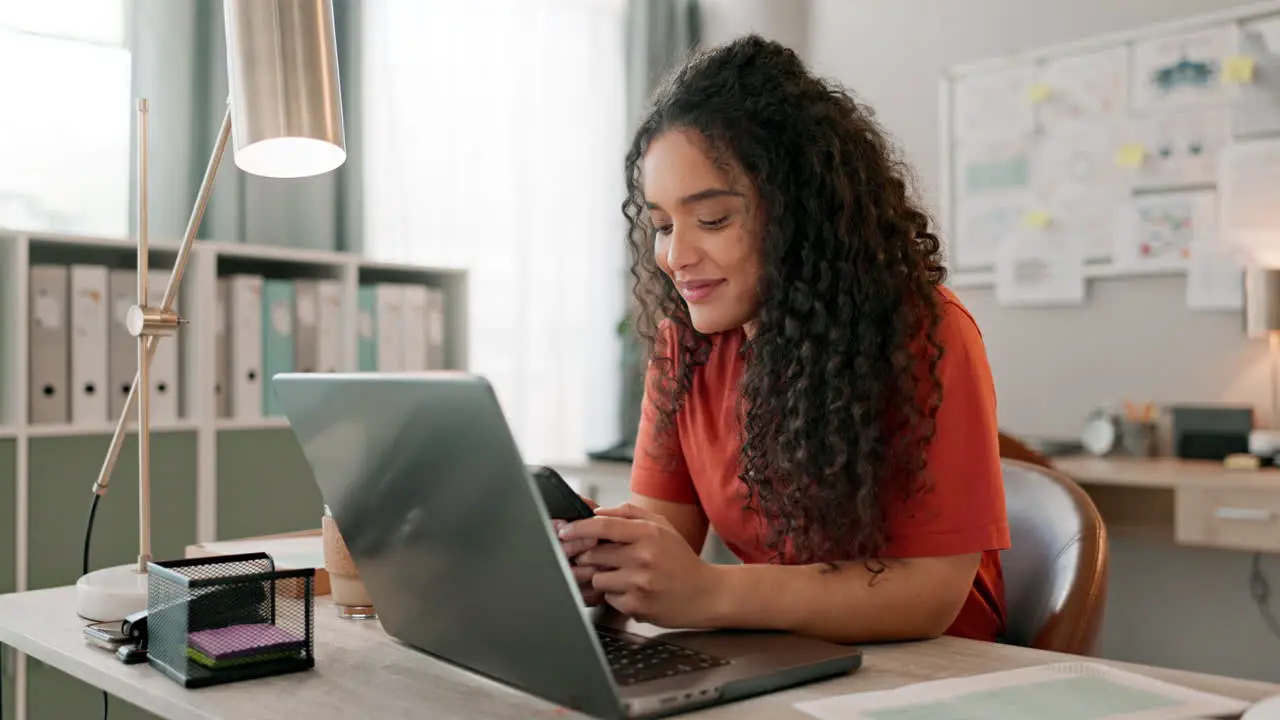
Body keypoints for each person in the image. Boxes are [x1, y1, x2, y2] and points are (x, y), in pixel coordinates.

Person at [556, 34, 1009, 645]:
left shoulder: (924, 332)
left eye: (712, 219)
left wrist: (712, 591)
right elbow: (665, 531)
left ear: (800, 212)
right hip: (781, 653)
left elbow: (929, 594)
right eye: (662, 225)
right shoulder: (684, 346)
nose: (675, 255)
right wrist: (610, 562)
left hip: (932, 670)